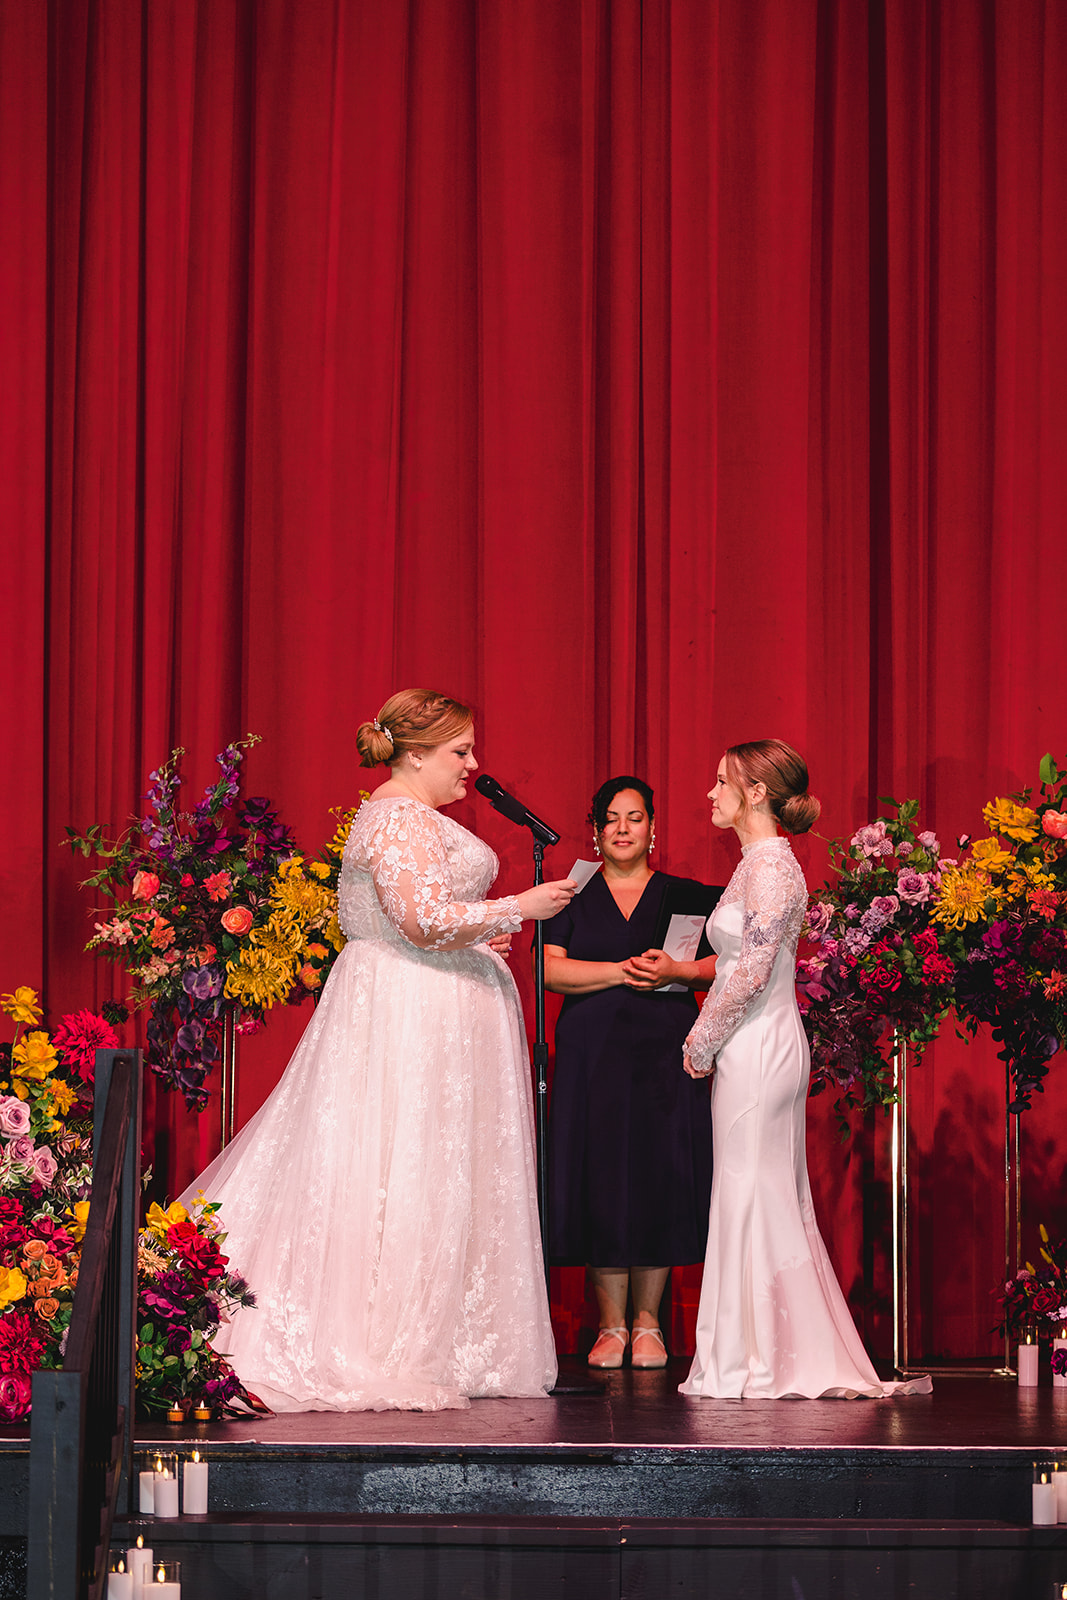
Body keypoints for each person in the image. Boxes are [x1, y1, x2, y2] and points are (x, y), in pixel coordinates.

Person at [179, 689, 575, 1412]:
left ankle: (453, 1336)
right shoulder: (394, 818)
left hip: (430, 998)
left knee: (436, 1165)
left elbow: (421, 919)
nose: (473, 765)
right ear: (415, 753)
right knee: (398, 1157)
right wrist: (519, 906)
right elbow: (420, 919)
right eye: (460, 752)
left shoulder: (415, 818)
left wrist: (476, 933)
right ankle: (381, 1334)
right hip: (406, 1009)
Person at [680, 740, 930, 1399]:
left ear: (754, 792)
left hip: (757, 1042)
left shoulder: (768, 868)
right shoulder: (758, 864)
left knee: (751, 1189)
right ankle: (757, 1348)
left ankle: (761, 1356)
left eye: (719, 781)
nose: (709, 794)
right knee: (752, 1190)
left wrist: (700, 1039)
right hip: (757, 1038)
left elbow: (752, 973)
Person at [544, 777, 719, 1370]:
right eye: (612, 818)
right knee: (600, 1179)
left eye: (635, 817)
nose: (623, 828)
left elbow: (736, 956)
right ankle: (609, 1326)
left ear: (653, 828)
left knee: (657, 1178)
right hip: (591, 1057)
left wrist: (682, 968)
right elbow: (551, 972)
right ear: (596, 831)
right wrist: (622, 972)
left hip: (663, 1054)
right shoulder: (570, 894)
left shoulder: (686, 893)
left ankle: (649, 1325)